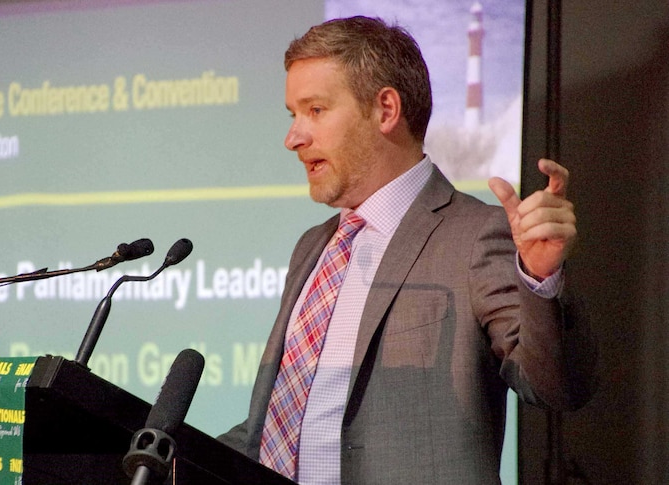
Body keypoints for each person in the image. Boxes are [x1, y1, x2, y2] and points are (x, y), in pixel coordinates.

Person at [218, 16, 596, 484]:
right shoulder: (313, 247)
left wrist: (540, 280)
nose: (293, 137)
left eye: (315, 110)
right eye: (293, 114)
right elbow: (275, 427)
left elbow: (557, 387)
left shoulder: (474, 234)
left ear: (386, 110)